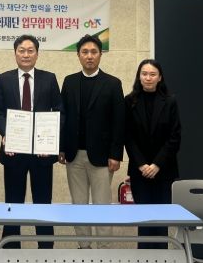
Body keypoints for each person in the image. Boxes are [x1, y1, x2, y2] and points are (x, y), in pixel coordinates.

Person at [0, 34, 63, 249]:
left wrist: (51, 140)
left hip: (42, 152)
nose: (26, 54)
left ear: (37, 54)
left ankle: (46, 252)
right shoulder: (3, 79)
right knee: (13, 204)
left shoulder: (49, 78)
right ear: (15, 53)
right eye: (21, 50)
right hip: (14, 151)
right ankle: (10, 252)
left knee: (43, 204)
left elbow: (59, 111)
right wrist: (6, 133)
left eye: (30, 50)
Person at [59, 34, 125, 249]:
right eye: (85, 52)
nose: (89, 56)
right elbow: (62, 117)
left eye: (94, 52)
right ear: (78, 55)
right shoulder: (69, 81)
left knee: (102, 206)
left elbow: (119, 121)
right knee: (78, 206)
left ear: (100, 55)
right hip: (74, 155)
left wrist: (116, 154)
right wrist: (61, 148)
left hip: (103, 157)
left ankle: (104, 250)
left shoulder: (113, 84)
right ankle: (84, 248)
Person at [124, 59, 181, 249]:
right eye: (144, 74)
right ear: (139, 77)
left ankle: (162, 257)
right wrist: (141, 164)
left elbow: (174, 137)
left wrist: (156, 164)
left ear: (160, 77)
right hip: (139, 171)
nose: (148, 78)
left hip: (164, 170)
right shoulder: (129, 101)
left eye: (152, 74)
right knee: (144, 221)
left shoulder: (170, 101)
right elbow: (127, 136)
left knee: (161, 220)